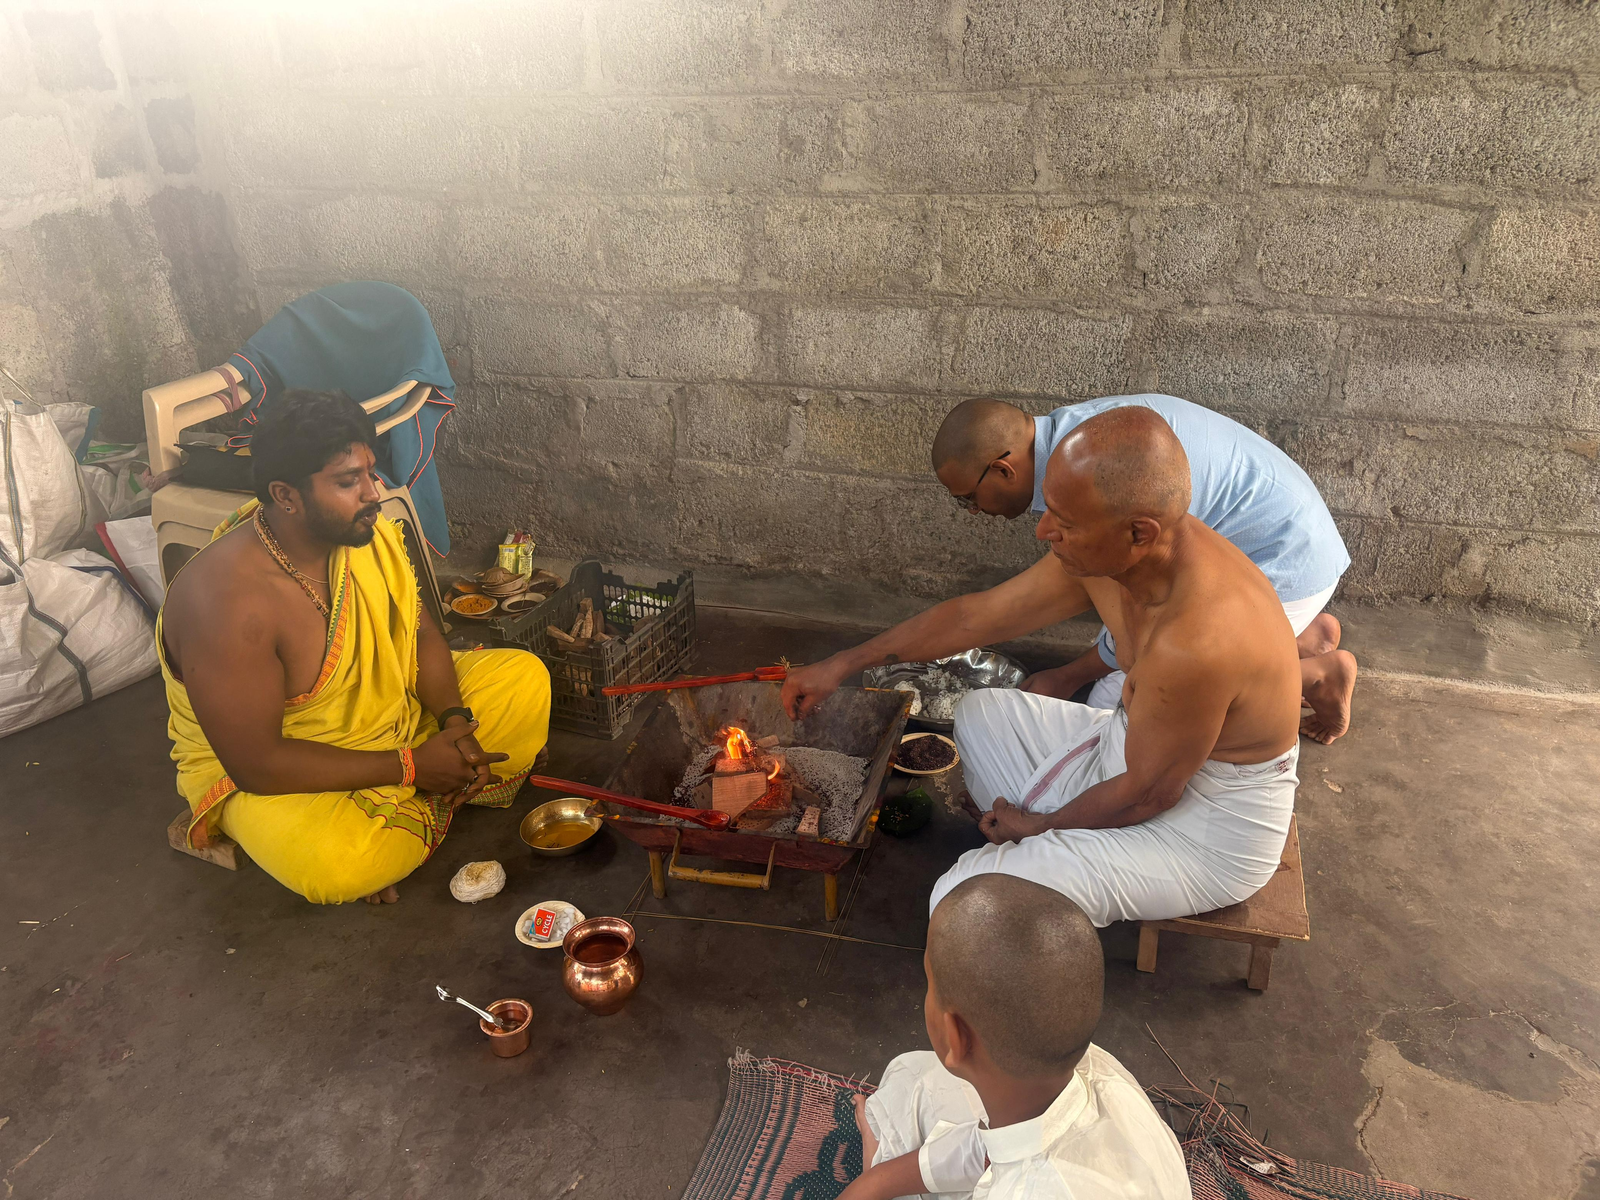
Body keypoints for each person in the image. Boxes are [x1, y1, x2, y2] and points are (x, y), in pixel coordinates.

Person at [785, 408, 1303, 926]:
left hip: (1203, 824)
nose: (1044, 532)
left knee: (961, 898)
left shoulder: (1197, 641)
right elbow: (975, 616)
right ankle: (1035, 846)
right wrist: (842, 663)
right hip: (1130, 749)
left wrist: (1040, 826)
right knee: (980, 713)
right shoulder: (1116, 555)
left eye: (1065, 523)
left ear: (1138, 533)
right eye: (1049, 509)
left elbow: (1150, 794)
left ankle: (1030, 854)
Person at [158, 390, 551, 905]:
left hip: (395, 724)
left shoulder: (366, 532)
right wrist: (412, 767)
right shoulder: (227, 605)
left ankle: (403, 810)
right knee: (339, 866)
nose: (373, 492)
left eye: (371, 471)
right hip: (279, 771)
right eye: (348, 482)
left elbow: (423, 635)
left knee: (524, 678)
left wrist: (456, 722)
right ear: (286, 495)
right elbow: (256, 763)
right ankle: (419, 796)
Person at [930, 395, 1356, 744]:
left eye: (968, 498)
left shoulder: (1107, 477)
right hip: (1277, 542)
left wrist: (1068, 675)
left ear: (1003, 470)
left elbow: (1149, 616)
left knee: (1124, 718)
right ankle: (1301, 636)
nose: (972, 512)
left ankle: (1315, 674)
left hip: (1287, 561)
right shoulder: (1078, 442)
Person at [843, 875, 1190, 1200]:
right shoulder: (1091, 1070)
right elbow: (989, 1148)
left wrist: (877, 1160)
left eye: (930, 984)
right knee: (913, 1077)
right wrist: (874, 1180)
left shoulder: (1029, 1190)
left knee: (903, 1098)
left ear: (956, 1037)